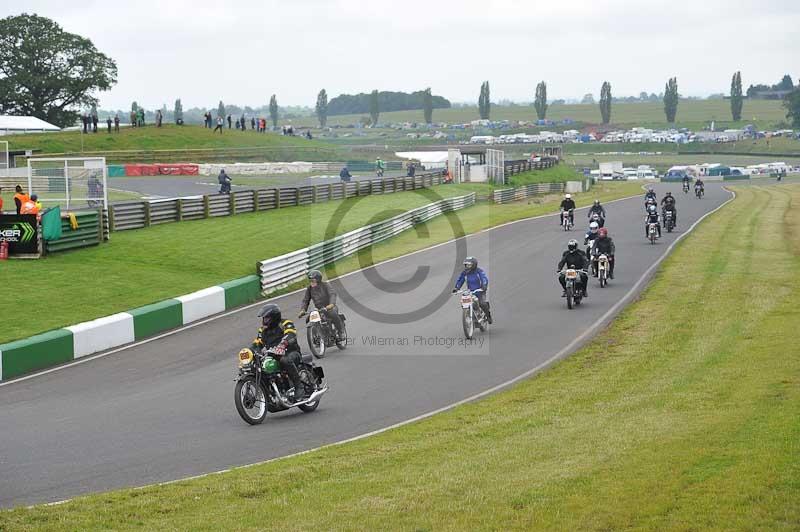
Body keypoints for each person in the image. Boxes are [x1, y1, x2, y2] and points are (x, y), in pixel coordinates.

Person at [250, 304, 308, 401]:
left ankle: (299, 387)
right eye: (264, 318)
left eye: (267, 318)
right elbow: (257, 343)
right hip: (272, 356)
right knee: (257, 366)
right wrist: (249, 351)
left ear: (274, 317)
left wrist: (283, 344)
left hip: (291, 353)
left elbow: (291, 334)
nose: (264, 320)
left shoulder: (285, 323)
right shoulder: (263, 330)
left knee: (285, 360)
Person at [298, 270, 345, 340]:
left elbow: (332, 294)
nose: (311, 282)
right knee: (308, 319)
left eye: (313, 281)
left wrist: (331, 304)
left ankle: (341, 332)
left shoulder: (325, 285)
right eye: (310, 281)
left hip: (330, 307)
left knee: (332, 314)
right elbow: (305, 300)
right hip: (319, 309)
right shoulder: (309, 289)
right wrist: (303, 310)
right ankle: (316, 336)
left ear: (318, 280)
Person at [452, 256, 492, 323]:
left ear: (474, 265)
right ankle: (469, 314)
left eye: (469, 265)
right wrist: (456, 288)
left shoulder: (479, 271)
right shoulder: (464, 273)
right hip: (470, 292)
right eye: (466, 265)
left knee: (482, 303)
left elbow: (484, 279)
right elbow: (460, 280)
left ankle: (488, 316)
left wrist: (484, 286)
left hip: (480, 291)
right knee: (465, 302)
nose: (467, 266)